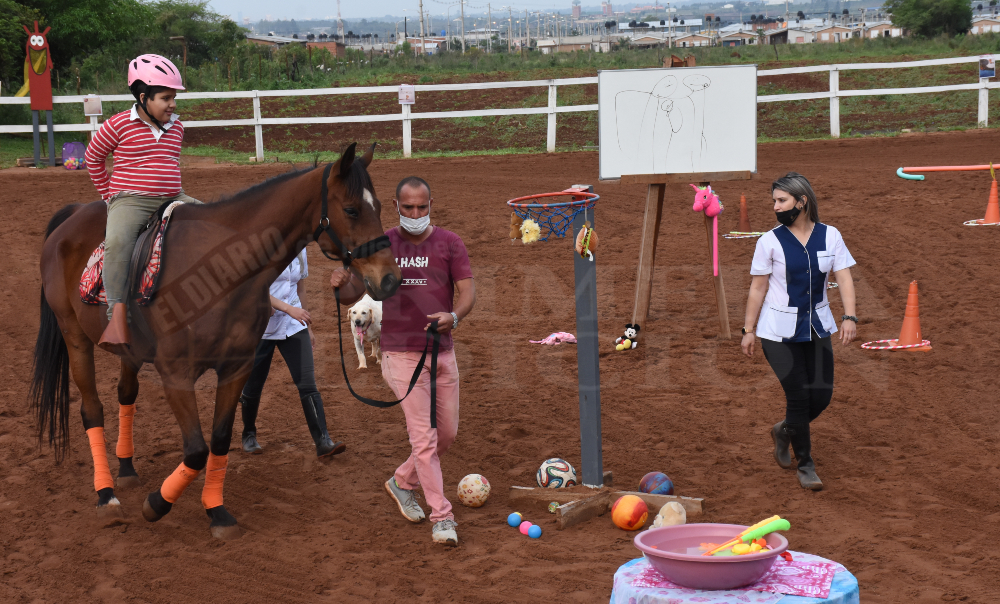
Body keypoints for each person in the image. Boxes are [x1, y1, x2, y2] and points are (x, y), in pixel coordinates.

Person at [330, 176, 475, 546]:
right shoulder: (383, 244)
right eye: (407, 207)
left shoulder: (450, 242)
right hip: (399, 352)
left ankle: (401, 481)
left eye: (421, 207)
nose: (415, 214)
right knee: (424, 439)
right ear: (396, 207)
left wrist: (453, 317)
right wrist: (340, 282)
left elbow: (468, 293)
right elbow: (353, 295)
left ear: (431, 204)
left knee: (446, 434)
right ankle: (442, 518)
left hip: (442, 350)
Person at [740, 172, 857, 491]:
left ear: (802, 201)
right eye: (774, 201)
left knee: (821, 395)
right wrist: (748, 329)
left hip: (818, 326)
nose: (776, 207)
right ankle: (806, 464)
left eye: (782, 200)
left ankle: (785, 430)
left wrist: (850, 316)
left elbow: (843, 277)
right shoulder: (769, 241)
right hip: (776, 332)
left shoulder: (830, 236)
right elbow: (757, 288)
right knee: (798, 394)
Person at [85, 54, 202, 354]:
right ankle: (117, 315)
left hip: (174, 197)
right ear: (143, 97)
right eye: (166, 98)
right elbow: (93, 157)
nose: (173, 104)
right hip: (131, 200)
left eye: (174, 98)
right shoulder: (117, 125)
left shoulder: (177, 128)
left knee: (211, 220)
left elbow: (168, 165)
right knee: (118, 242)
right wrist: (109, 196)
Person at [239, 248, 346, 458]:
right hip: (262, 327)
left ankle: (323, 441)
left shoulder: (299, 249)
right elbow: (255, 288)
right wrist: (289, 309)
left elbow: (300, 287)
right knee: (253, 386)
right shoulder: (260, 246)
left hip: (293, 325)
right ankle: (249, 434)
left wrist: (308, 327)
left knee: (308, 384)